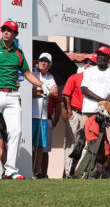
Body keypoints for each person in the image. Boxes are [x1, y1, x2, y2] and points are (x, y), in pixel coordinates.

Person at [1, 20, 56, 179]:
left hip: (12, 96)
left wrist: (43, 85)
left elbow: (27, 73)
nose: (5, 32)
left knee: (16, 131)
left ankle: (10, 170)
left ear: (15, 34)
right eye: (4, 29)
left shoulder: (18, 53)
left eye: (9, 30)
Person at [81, 46, 110, 175]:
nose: (100, 57)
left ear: (108, 58)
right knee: (86, 139)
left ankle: (104, 170)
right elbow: (84, 89)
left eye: (103, 55)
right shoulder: (89, 71)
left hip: (107, 112)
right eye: (98, 55)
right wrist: (101, 101)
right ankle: (85, 169)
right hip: (89, 110)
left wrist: (104, 104)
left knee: (109, 141)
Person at [62, 56, 96, 177]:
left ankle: (80, 172)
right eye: (86, 63)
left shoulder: (95, 80)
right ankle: (68, 172)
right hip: (76, 113)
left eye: (91, 63)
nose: (87, 65)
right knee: (72, 143)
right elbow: (66, 95)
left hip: (90, 115)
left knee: (87, 144)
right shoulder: (75, 77)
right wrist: (69, 111)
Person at [31, 53, 59, 179]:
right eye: (41, 60)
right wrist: (45, 91)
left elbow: (55, 94)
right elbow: (29, 92)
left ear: (50, 65)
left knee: (40, 146)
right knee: (29, 144)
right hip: (31, 115)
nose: (43, 63)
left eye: (46, 61)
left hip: (43, 116)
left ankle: (36, 172)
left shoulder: (50, 77)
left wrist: (39, 91)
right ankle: (28, 169)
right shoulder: (32, 74)